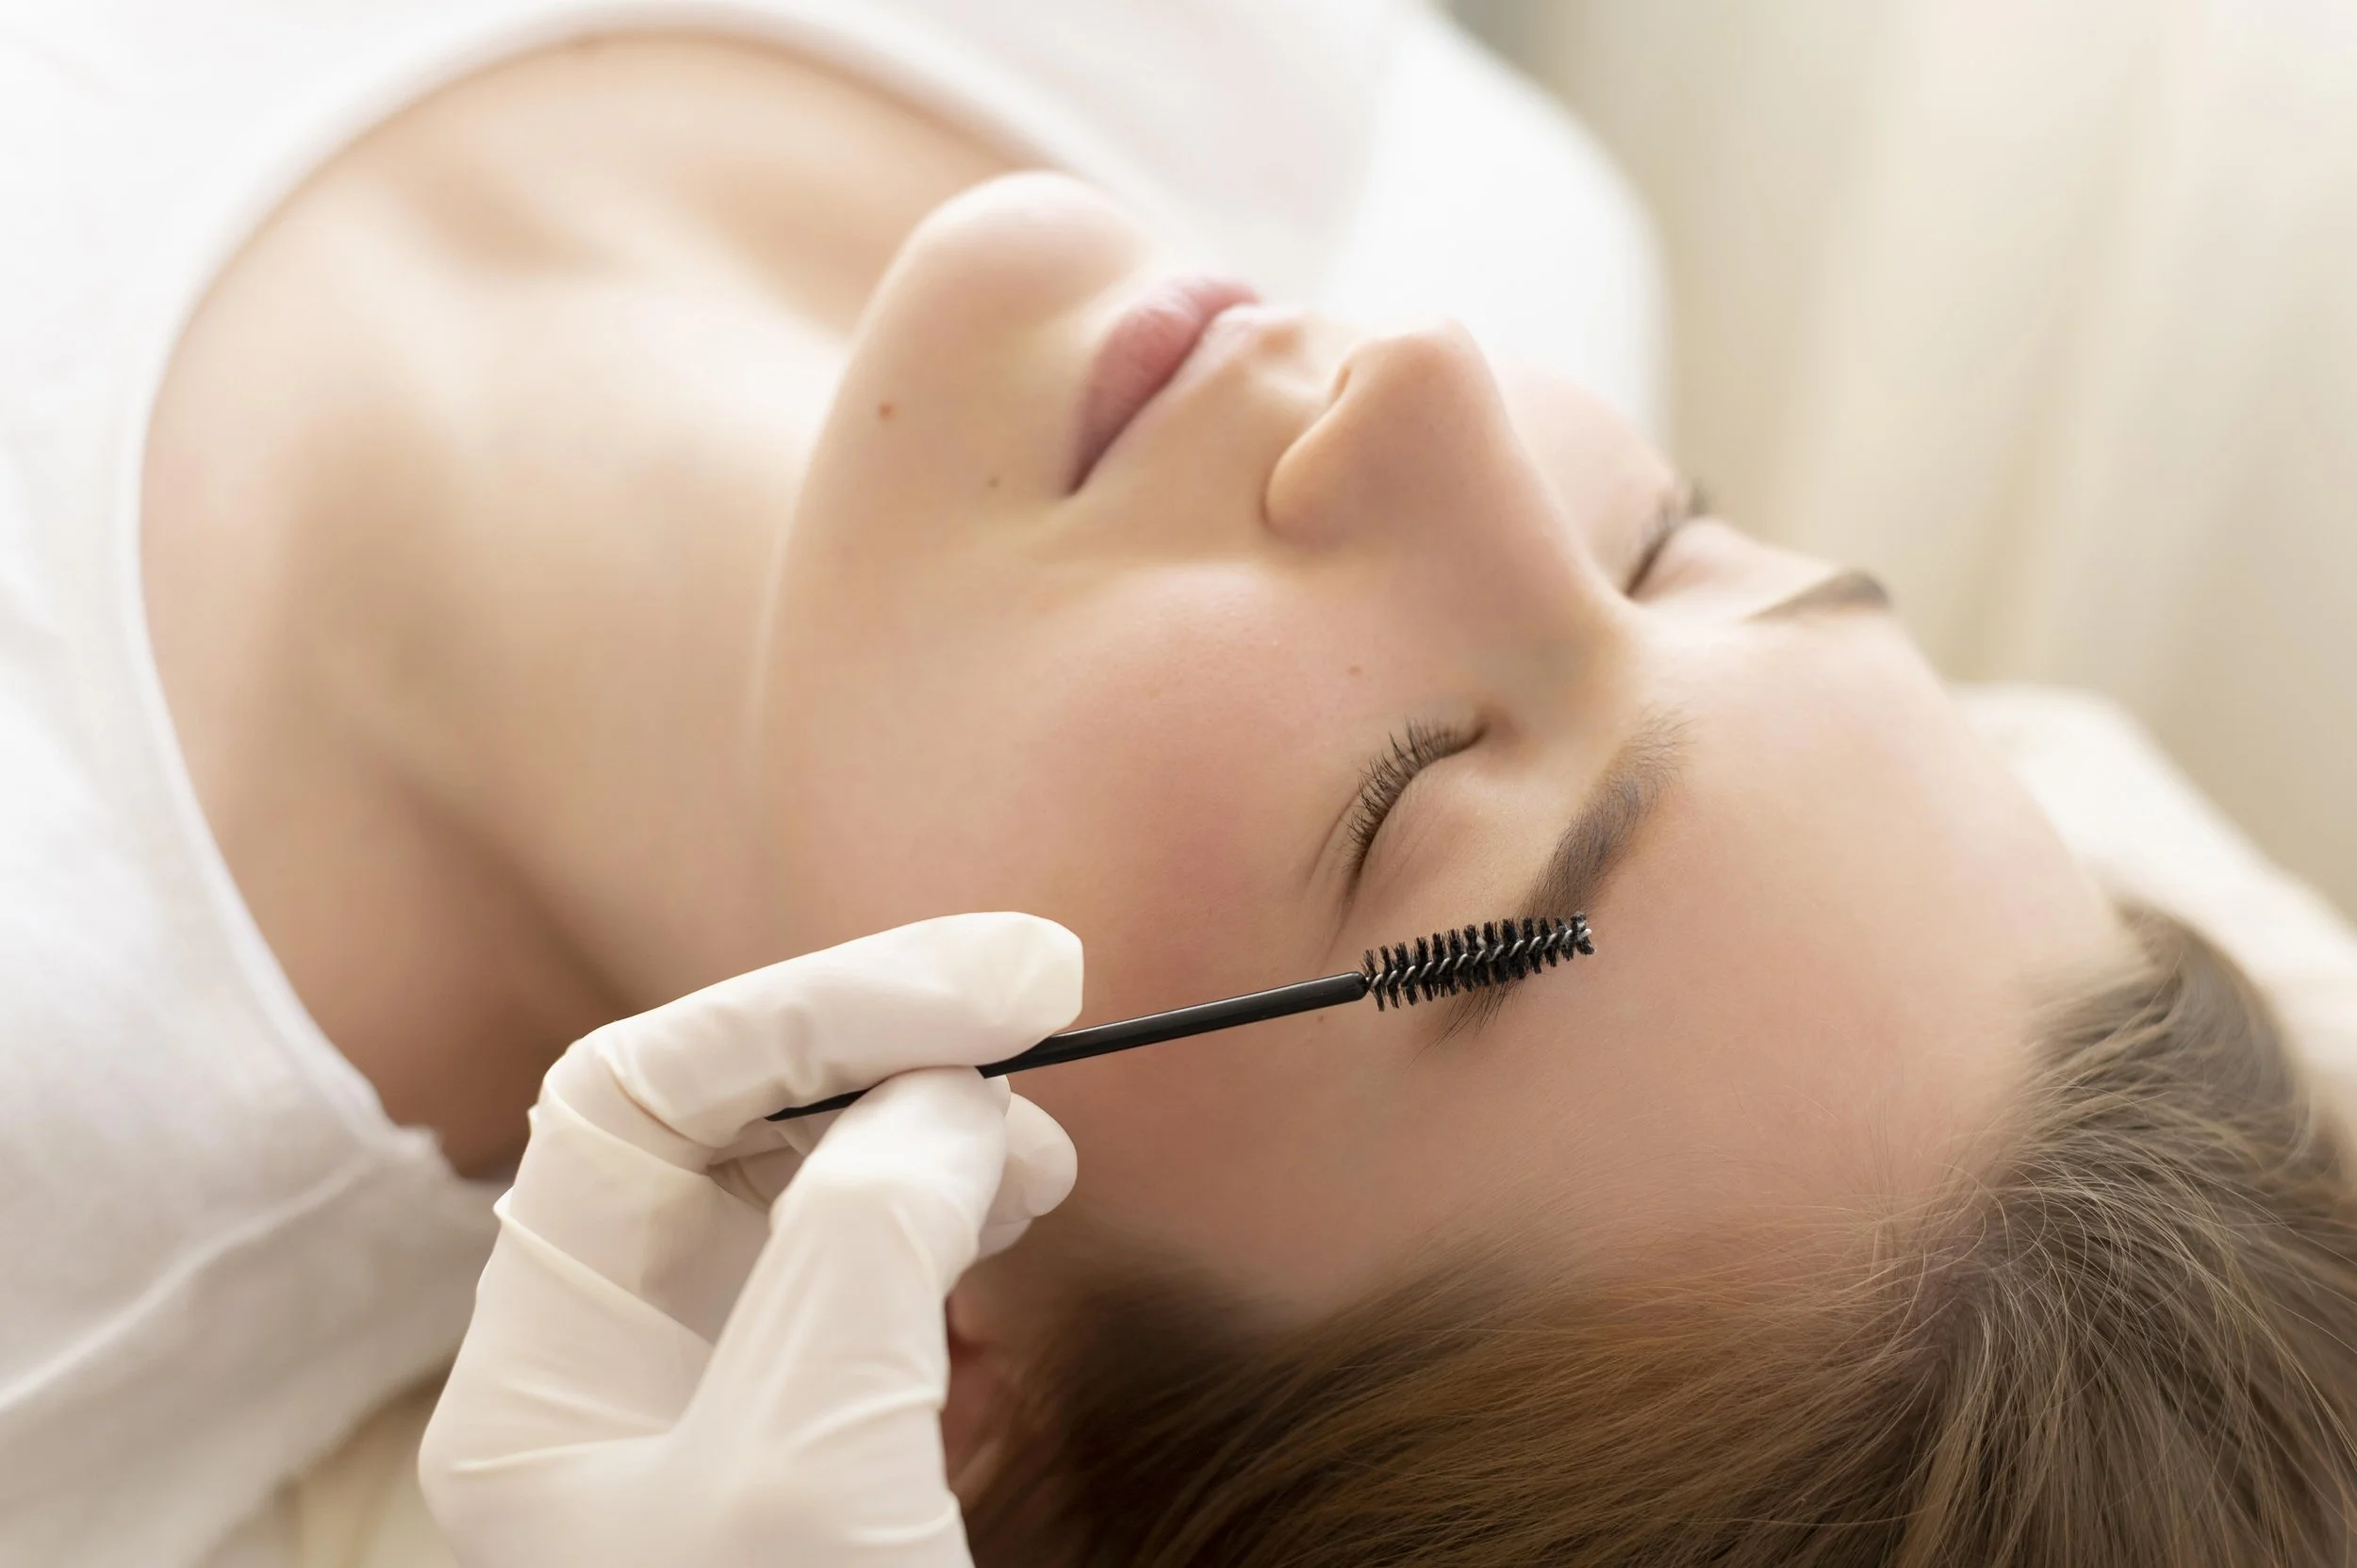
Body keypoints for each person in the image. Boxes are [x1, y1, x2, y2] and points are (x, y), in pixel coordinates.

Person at [9, 14, 2357, 1568]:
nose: (1432, 380)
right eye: (1675, 540)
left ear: (947, 1351)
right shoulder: (1436, 179)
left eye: (1404, 796)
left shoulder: (57, 1216)